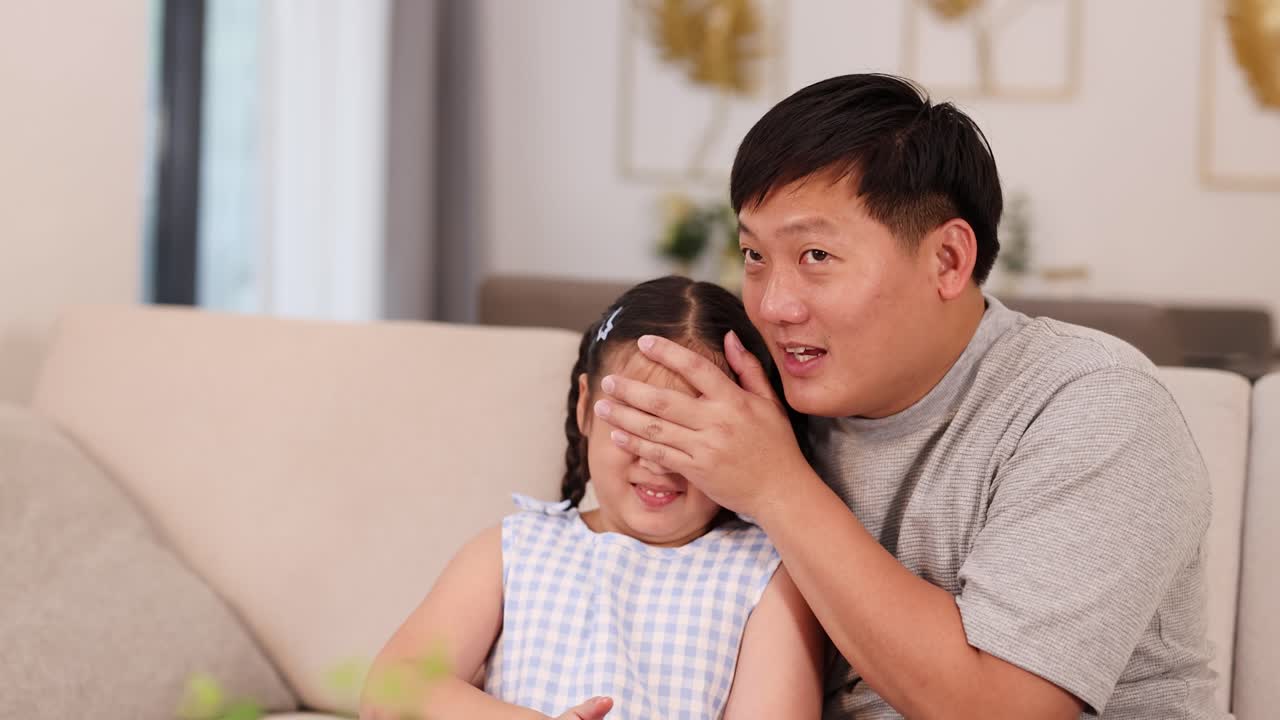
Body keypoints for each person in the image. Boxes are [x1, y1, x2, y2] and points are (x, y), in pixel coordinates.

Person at [593, 74, 1226, 719]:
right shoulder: (764, 399)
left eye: (815, 254)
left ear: (948, 260)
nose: (774, 305)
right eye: (754, 254)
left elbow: (1002, 711)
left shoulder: (1091, 404)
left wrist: (775, 486)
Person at [360, 276, 824, 720]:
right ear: (586, 407)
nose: (658, 459)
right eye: (635, 424)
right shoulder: (516, 550)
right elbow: (392, 690)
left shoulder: (764, 573)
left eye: (690, 434)